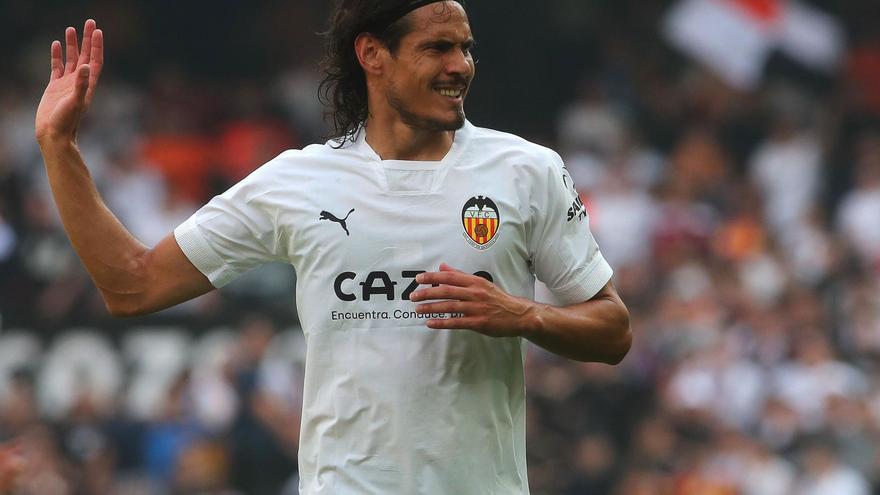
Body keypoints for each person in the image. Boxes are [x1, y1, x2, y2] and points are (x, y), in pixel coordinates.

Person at [35, 1, 631, 493]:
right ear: (372, 54)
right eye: (437, 48)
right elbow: (134, 285)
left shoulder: (527, 170)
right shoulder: (297, 181)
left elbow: (613, 331)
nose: (461, 66)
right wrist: (59, 147)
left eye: (466, 47)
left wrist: (523, 315)